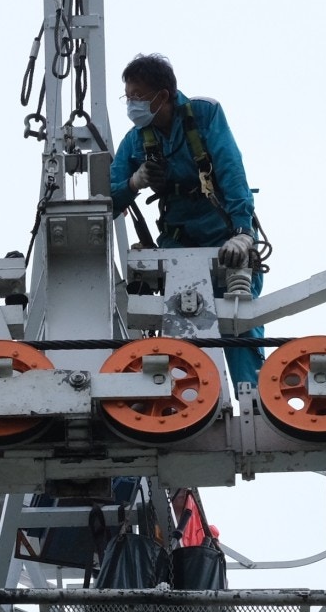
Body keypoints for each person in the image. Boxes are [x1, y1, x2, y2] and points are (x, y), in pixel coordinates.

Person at [108, 53, 264, 386]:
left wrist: (242, 232)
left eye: (137, 96)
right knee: (183, 325)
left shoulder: (204, 115)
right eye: (128, 96)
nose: (131, 104)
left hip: (224, 236)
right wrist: (134, 183)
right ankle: (189, 406)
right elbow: (106, 201)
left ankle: (256, 405)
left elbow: (230, 169)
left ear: (162, 95)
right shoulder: (135, 141)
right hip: (178, 241)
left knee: (238, 323)